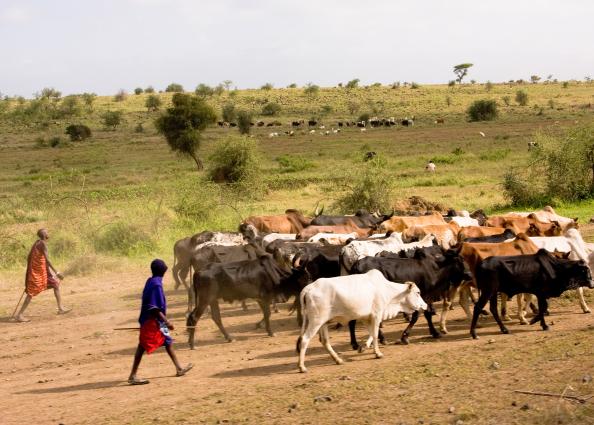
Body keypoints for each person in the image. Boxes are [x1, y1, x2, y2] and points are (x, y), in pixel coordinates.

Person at [128, 259, 193, 385]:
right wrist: (167, 322)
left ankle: (179, 368)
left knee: (168, 341)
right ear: (163, 271)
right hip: (152, 321)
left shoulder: (151, 281)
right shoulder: (156, 285)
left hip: (158, 321)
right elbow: (154, 308)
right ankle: (132, 376)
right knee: (142, 346)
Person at [15, 228, 70, 322]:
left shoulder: (37, 243)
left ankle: (60, 308)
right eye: (47, 232)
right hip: (37, 274)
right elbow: (47, 260)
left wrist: (45, 271)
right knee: (31, 293)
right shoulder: (42, 244)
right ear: (44, 235)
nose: (48, 233)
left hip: (42, 272)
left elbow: (29, 257)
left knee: (55, 284)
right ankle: (19, 315)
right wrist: (57, 273)